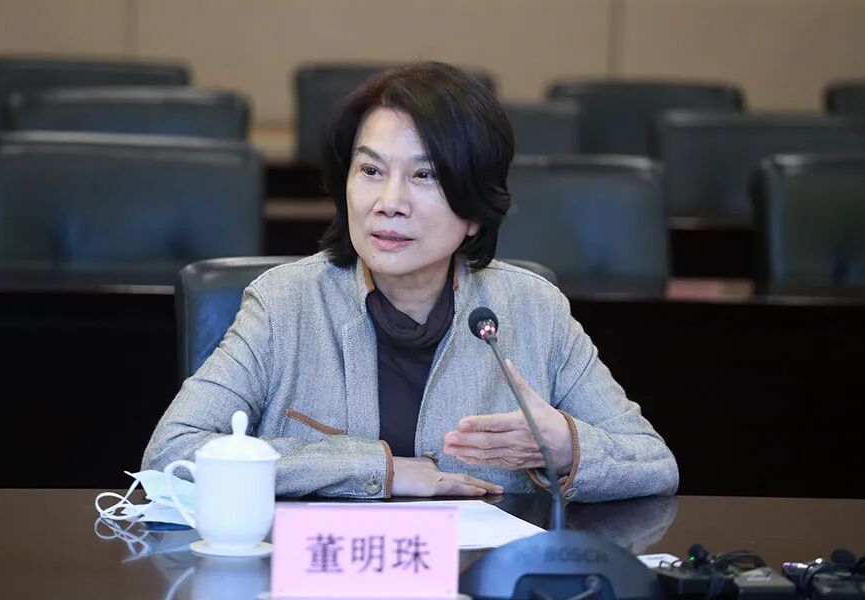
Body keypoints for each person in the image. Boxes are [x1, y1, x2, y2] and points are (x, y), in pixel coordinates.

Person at [143, 62, 679, 502]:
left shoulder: (533, 310)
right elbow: (172, 454)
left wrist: (567, 448)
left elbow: (655, 463)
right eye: (371, 171)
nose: (389, 203)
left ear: (475, 208)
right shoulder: (285, 304)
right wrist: (377, 470)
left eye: (424, 175)